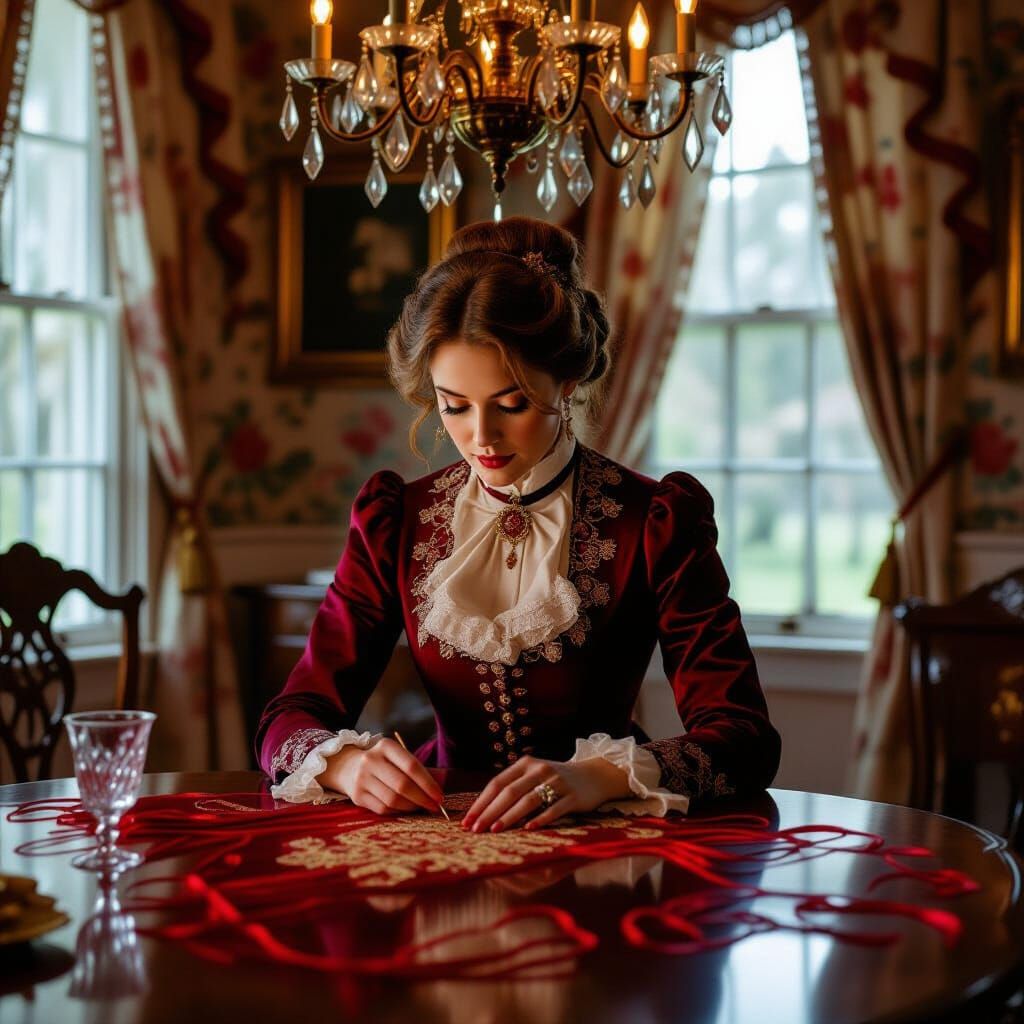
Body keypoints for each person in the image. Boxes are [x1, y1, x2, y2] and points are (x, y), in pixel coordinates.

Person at [256, 216, 781, 833]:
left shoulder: (656, 521)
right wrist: (345, 763)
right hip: (441, 833)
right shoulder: (397, 521)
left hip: (601, 840)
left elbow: (743, 737)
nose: (481, 436)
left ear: (568, 380)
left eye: (512, 404)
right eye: (454, 406)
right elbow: (290, 717)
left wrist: (599, 776)